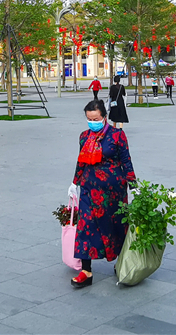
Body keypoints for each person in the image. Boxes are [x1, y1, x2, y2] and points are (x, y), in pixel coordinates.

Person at [68, 100, 136, 288]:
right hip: (89, 189)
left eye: (96, 119)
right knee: (85, 226)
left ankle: (121, 262)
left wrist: (133, 185)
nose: (92, 123)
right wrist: (74, 182)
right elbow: (81, 161)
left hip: (113, 192)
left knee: (116, 226)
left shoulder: (117, 135)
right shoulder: (84, 136)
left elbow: (126, 160)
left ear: (104, 117)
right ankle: (86, 271)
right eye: (89, 119)